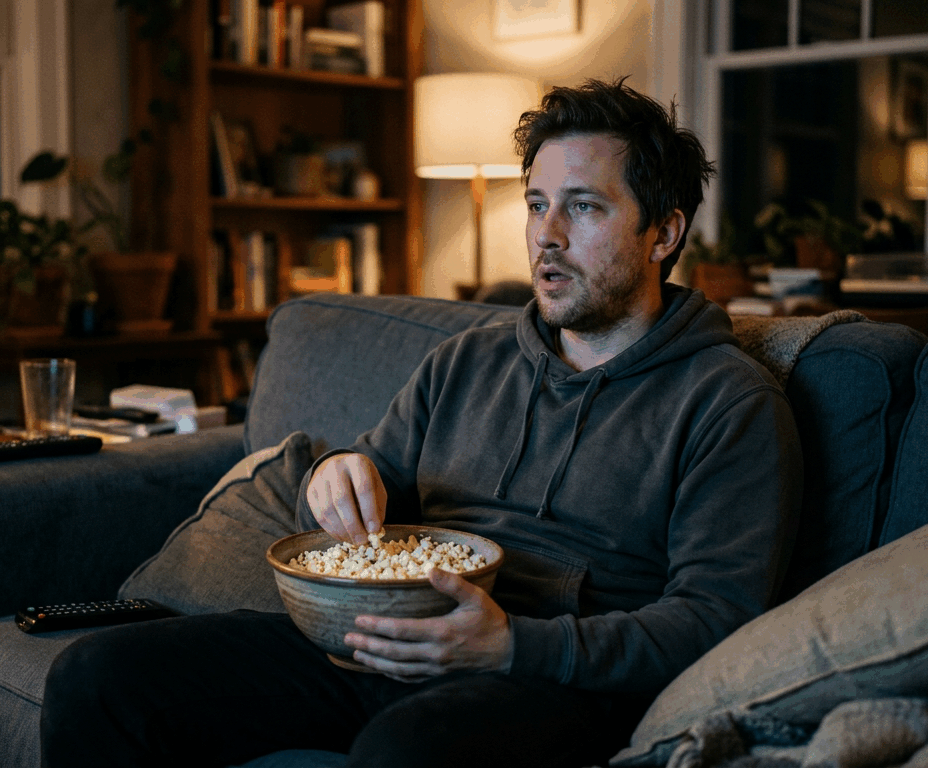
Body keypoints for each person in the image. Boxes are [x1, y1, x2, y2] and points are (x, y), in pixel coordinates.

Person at [39, 78, 803, 768]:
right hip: (387, 635)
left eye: (584, 206)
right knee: (99, 676)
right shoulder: (468, 361)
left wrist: (513, 644)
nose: (547, 234)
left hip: (550, 678)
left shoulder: (727, 402)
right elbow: (373, 482)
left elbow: (715, 619)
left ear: (662, 234)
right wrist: (335, 476)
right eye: (537, 204)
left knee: (404, 751)